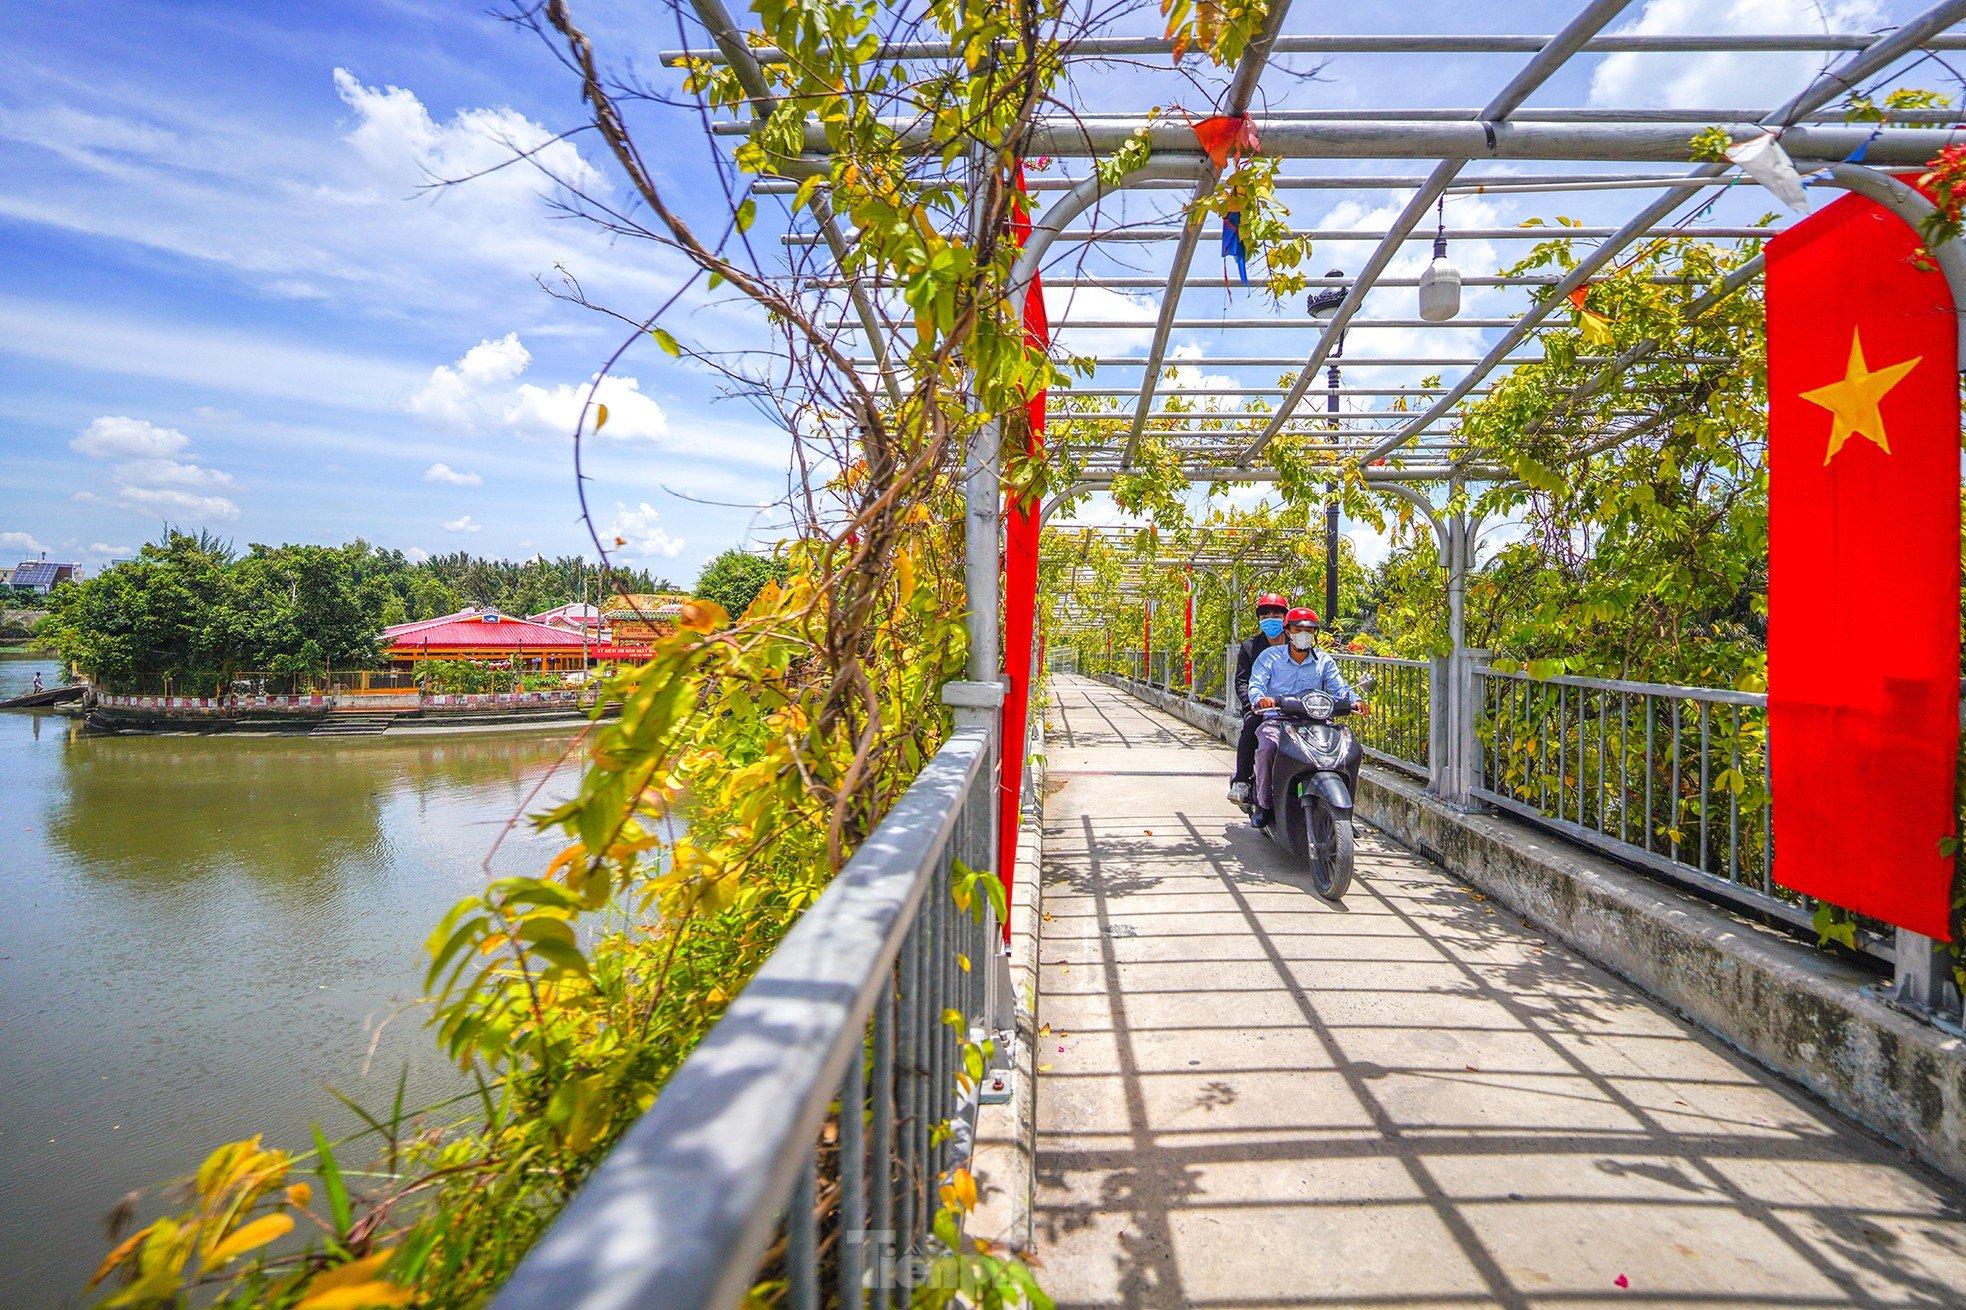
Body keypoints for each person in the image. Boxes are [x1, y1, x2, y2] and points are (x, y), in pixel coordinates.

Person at [1246, 607, 1368, 827]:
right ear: (1288, 631)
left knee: (1351, 751)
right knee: (1266, 748)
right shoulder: (1270, 657)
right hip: (1279, 721)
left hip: (1317, 721)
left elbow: (1339, 687)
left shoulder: (1324, 660)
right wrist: (1261, 699)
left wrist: (1355, 700)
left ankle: (1345, 815)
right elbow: (1256, 685)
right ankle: (1264, 806)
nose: (1304, 633)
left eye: (1309, 630)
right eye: (1298, 629)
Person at [1227, 593, 1291, 804]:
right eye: (1265, 615)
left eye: (1276, 613)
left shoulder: (1297, 643)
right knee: (1250, 727)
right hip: (1261, 706)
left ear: (1285, 616)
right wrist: (1253, 703)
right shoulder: (1250, 647)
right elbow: (1242, 681)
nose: (1270, 618)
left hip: (1295, 706)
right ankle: (1242, 780)